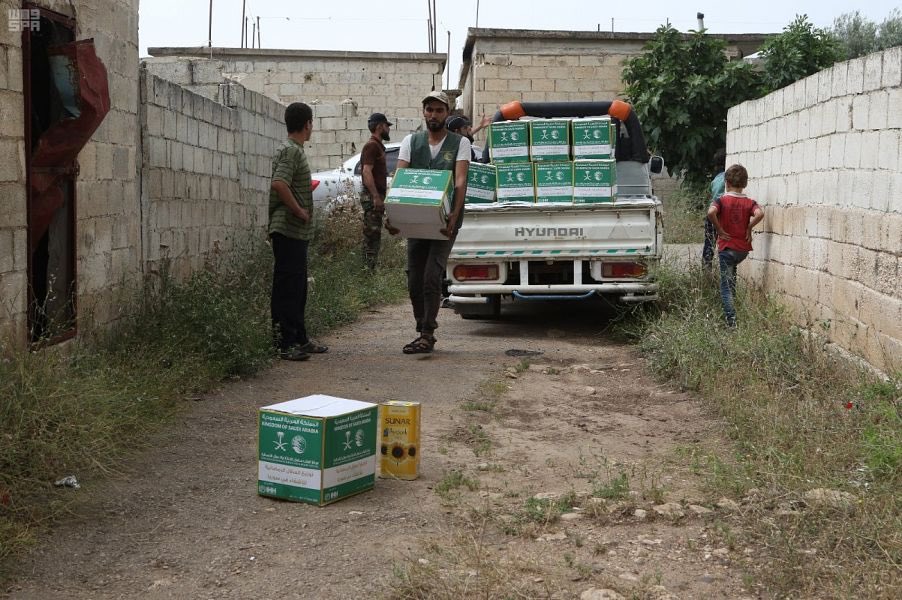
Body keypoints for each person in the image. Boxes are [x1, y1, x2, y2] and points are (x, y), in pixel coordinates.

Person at [391, 90, 471, 354]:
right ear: (424, 112)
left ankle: (428, 333)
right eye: (429, 110)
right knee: (414, 278)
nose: (433, 114)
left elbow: (460, 180)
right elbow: (400, 178)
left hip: (444, 221)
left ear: (447, 113)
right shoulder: (411, 142)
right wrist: (392, 215)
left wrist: (454, 214)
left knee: (431, 276)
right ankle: (421, 327)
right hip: (416, 220)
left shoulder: (460, 143)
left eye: (439, 110)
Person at [268, 102, 328, 360]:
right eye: (311, 123)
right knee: (287, 289)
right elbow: (279, 184)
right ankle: (285, 344)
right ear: (307, 124)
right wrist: (300, 211)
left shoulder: (295, 150)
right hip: (287, 230)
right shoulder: (291, 151)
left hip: (296, 233)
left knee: (298, 288)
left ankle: (300, 339)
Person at [707, 164, 764, 328]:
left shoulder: (721, 200)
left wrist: (719, 229)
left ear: (726, 183)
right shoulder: (749, 202)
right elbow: (760, 213)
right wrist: (749, 227)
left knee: (725, 287)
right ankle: (732, 315)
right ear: (745, 183)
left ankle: (731, 322)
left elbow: (711, 212)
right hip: (742, 250)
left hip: (727, 249)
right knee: (731, 281)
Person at [359, 112, 393, 270]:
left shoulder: (377, 145)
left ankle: (370, 269)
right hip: (372, 197)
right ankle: (367, 271)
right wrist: (375, 197)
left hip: (376, 196)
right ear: (380, 127)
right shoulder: (372, 145)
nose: (388, 129)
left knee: (374, 234)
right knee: (371, 236)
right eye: (387, 126)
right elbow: (366, 171)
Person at [702, 148, 727, 270]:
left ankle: (706, 268)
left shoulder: (716, 179)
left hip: (712, 211)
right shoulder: (728, 177)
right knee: (726, 241)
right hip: (722, 212)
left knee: (709, 242)